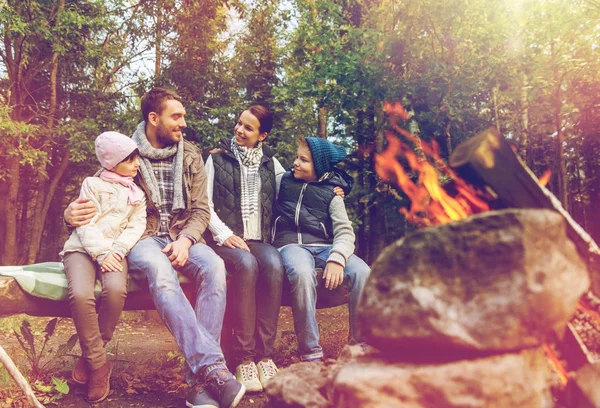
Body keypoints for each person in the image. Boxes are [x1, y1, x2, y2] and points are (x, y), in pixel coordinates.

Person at [64, 88, 245, 408]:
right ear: (153, 118)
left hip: (185, 235)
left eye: (183, 116)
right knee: (162, 275)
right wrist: (69, 215)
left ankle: (198, 381)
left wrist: (187, 239)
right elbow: (98, 200)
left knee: (215, 268)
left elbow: (202, 210)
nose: (183, 123)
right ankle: (213, 370)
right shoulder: (127, 153)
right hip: (143, 239)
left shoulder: (191, 155)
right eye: (176, 116)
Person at [60, 131, 147, 403]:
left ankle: (90, 355)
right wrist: (100, 253)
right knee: (81, 295)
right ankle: (99, 365)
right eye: (130, 160)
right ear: (112, 163)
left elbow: (137, 225)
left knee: (115, 290)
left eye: (137, 159)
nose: (137, 165)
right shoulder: (92, 184)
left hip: (116, 252)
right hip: (82, 249)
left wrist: (117, 251)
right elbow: (84, 222)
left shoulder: (137, 193)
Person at [205, 105, 284, 392]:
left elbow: (299, 187)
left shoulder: (272, 165)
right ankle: (244, 359)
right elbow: (205, 204)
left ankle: (265, 356)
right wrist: (224, 235)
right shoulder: (216, 160)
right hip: (223, 241)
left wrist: (335, 187)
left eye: (248, 128)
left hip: (259, 241)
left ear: (262, 135)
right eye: (239, 123)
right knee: (246, 265)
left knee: (274, 264)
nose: (239, 130)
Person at [272, 136, 370, 362]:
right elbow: (259, 168)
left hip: (325, 247)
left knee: (364, 273)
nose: (296, 162)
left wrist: (337, 259)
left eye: (303, 160)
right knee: (303, 274)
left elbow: (345, 232)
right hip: (291, 244)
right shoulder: (284, 181)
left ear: (319, 166)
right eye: (297, 157)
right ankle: (310, 351)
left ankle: (359, 346)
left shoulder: (332, 194)